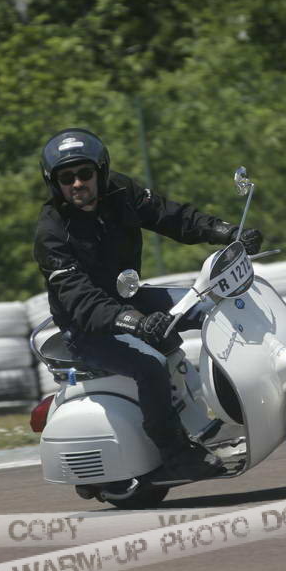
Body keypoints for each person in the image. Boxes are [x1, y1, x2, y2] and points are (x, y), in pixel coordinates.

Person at [33, 127, 263, 480]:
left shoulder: (121, 191)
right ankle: (174, 453)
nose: (77, 183)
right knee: (150, 364)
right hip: (86, 327)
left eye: (85, 173)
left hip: (129, 297)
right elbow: (80, 300)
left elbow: (172, 216)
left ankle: (240, 401)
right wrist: (135, 321)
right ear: (54, 183)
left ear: (100, 171)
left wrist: (226, 232)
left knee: (213, 307)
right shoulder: (51, 233)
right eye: (67, 178)